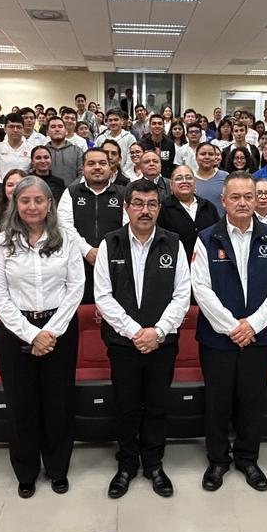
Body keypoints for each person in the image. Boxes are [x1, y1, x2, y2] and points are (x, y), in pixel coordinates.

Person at [191, 173, 267, 493]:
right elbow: (201, 288)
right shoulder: (207, 238)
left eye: (249, 196)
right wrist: (233, 326)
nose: (243, 202)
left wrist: (254, 324)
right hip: (217, 338)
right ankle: (218, 460)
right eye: (235, 197)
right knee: (217, 401)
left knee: (252, 400)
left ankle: (248, 459)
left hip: (257, 337)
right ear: (223, 201)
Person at [0, 176, 84, 498]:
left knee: (59, 402)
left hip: (60, 328)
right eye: (25, 200)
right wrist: (32, 335)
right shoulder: (2, 243)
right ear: (15, 204)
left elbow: (76, 287)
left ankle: (57, 468)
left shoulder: (66, 238)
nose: (32, 206)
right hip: (15, 330)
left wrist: (50, 332)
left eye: (39, 200)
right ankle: (26, 471)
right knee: (22, 404)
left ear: (49, 204)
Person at [94, 179, 191, 499]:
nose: (145, 210)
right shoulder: (110, 243)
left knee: (157, 406)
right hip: (123, 344)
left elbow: (182, 295)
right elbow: (103, 296)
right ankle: (126, 464)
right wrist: (135, 331)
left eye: (151, 204)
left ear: (159, 208)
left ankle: (153, 464)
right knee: (126, 406)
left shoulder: (173, 243)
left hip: (162, 343)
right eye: (138, 203)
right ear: (126, 207)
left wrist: (158, 332)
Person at [57, 147, 124, 303]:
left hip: (115, 264)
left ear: (110, 167)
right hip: (77, 264)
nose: (97, 167)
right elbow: (64, 226)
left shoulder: (123, 193)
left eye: (102, 163)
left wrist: (106, 252)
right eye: (91, 163)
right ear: (83, 168)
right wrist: (86, 250)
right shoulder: (71, 193)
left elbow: (128, 227)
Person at [158, 166, 220, 257]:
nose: (184, 181)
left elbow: (218, 235)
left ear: (195, 182)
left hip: (207, 261)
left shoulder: (208, 207)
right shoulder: (162, 208)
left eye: (189, 177)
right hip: (175, 261)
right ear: (171, 185)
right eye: (179, 178)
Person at [0, 111, 35, 176]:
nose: (15, 130)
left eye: (18, 127)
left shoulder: (32, 149)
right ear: (5, 129)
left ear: (23, 129)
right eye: (11, 127)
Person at [44, 114, 82, 187]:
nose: (57, 129)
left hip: (73, 191)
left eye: (60, 126)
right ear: (47, 132)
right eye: (53, 127)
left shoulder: (77, 151)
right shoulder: (43, 152)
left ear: (66, 131)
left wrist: (70, 189)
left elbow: (82, 174)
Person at [193, 142, 228, 214]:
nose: (207, 157)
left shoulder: (226, 177)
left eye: (211, 154)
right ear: (196, 157)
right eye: (203, 154)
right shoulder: (189, 178)